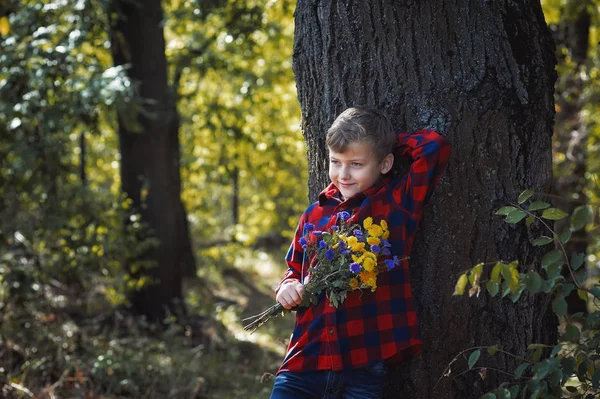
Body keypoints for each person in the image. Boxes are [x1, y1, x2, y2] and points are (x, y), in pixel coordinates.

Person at [270, 106, 451, 399]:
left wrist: (381, 142)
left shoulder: (396, 204)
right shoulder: (313, 214)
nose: (343, 174)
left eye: (356, 164)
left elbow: (435, 147)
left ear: (385, 163)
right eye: (335, 162)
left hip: (363, 367)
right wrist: (287, 287)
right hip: (304, 361)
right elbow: (294, 269)